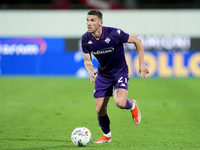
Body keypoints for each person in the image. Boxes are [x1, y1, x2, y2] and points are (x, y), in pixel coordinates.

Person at [81, 9, 149, 143]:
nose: (89, 23)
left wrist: (142, 63)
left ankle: (132, 105)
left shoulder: (114, 33)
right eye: (87, 20)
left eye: (92, 20)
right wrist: (90, 71)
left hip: (120, 72)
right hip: (103, 74)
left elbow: (138, 41)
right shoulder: (86, 39)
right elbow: (87, 60)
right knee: (100, 109)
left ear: (100, 23)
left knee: (120, 102)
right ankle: (107, 135)